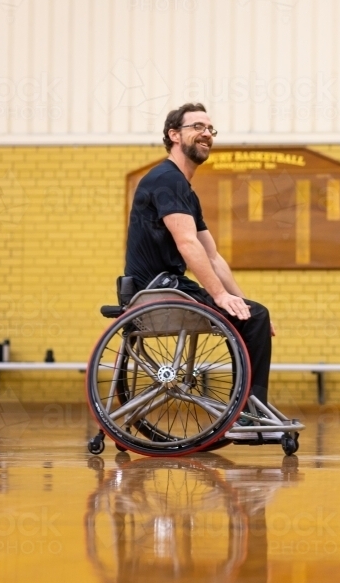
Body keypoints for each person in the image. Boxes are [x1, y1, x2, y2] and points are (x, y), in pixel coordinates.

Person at [124, 102, 276, 439]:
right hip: (158, 290)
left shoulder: (183, 189)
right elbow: (187, 245)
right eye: (197, 127)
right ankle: (247, 417)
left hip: (167, 288)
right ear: (174, 135)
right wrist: (221, 296)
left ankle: (247, 412)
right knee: (254, 318)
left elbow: (214, 256)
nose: (206, 133)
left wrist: (240, 301)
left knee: (255, 316)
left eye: (210, 129)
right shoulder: (166, 179)